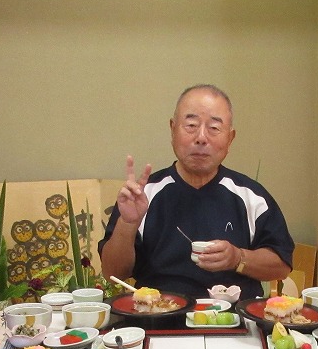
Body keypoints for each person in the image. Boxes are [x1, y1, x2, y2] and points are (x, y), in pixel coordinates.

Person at [99, 84, 294, 299]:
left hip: (234, 323)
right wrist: (128, 223)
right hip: (158, 318)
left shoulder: (251, 196)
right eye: (191, 125)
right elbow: (113, 273)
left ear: (230, 138)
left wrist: (238, 258)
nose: (201, 137)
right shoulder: (144, 194)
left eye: (214, 128)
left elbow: (282, 265)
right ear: (173, 129)